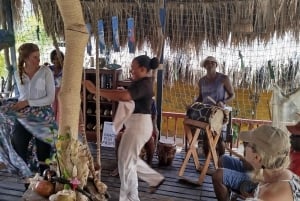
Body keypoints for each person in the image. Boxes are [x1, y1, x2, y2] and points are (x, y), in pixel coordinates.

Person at [84, 55, 165, 201]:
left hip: (139, 126)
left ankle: (135, 194)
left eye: (134, 69)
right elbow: (128, 96)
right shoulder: (141, 82)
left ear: (143, 69)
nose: (131, 71)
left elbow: (126, 96)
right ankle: (147, 184)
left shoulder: (144, 84)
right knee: (126, 160)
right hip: (136, 125)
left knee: (126, 163)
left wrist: (96, 90)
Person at [0, 43, 56, 177]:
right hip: (24, 114)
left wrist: (27, 102)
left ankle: (44, 177)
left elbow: (50, 98)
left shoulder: (45, 71)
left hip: (43, 114)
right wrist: (12, 102)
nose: (38, 60)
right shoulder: (17, 72)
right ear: (25, 58)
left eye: (39, 56)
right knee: (18, 142)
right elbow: (22, 96)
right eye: (35, 57)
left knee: (43, 148)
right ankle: (28, 179)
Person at [240, 125, 300, 201]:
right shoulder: (284, 176)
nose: (244, 147)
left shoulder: (269, 196)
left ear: (257, 157)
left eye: (247, 144)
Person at [195, 56, 235, 156]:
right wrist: (193, 104)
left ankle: (220, 161)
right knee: (206, 139)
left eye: (213, 62)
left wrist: (223, 102)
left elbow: (232, 95)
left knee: (218, 138)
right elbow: (201, 97)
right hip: (205, 113)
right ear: (204, 66)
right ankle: (207, 161)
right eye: (208, 62)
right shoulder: (201, 81)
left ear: (216, 65)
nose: (210, 64)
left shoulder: (224, 79)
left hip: (219, 112)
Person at [49, 49, 64, 122]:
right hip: (51, 93)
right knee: (52, 110)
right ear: (52, 60)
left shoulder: (65, 70)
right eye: (54, 59)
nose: (56, 61)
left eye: (58, 58)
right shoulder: (48, 69)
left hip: (61, 93)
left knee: (61, 111)